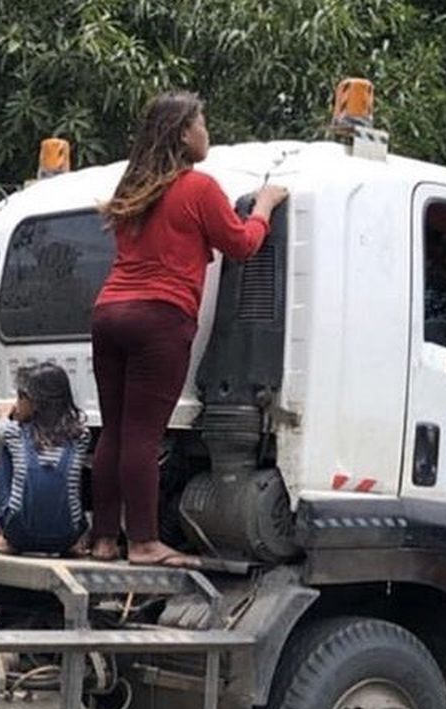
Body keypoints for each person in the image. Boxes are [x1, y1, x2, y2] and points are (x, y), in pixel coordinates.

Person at [89, 92, 289, 567]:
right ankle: (142, 543)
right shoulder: (198, 188)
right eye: (202, 124)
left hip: (109, 312)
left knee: (114, 432)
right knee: (143, 433)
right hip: (160, 316)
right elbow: (241, 244)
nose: (207, 133)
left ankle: (102, 539)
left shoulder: (133, 190)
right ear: (183, 133)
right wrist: (264, 206)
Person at [0, 363, 90, 556]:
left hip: (20, 533)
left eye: (20, 398)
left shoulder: (14, 432)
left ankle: (4, 534)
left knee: (6, 452)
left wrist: (5, 414)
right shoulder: (81, 435)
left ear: (35, 402)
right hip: (67, 535)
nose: (17, 403)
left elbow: (3, 426)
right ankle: (74, 543)